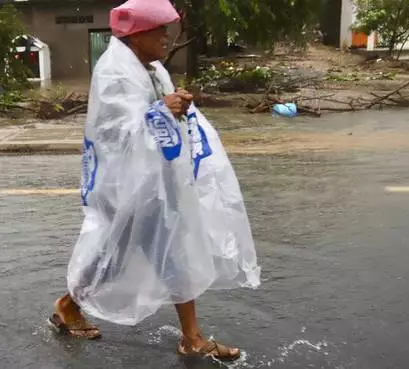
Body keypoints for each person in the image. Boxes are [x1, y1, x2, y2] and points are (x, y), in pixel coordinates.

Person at [48, 0, 260, 361]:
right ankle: (73, 307)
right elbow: (114, 131)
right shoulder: (115, 71)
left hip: (153, 180)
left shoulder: (152, 67)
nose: (166, 37)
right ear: (138, 33)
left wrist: (173, 105)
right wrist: (162, 109)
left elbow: (153, 116)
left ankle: (188, 336)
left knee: (156, 251)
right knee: (125, 253)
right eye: (159, 29)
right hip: (125, 182)